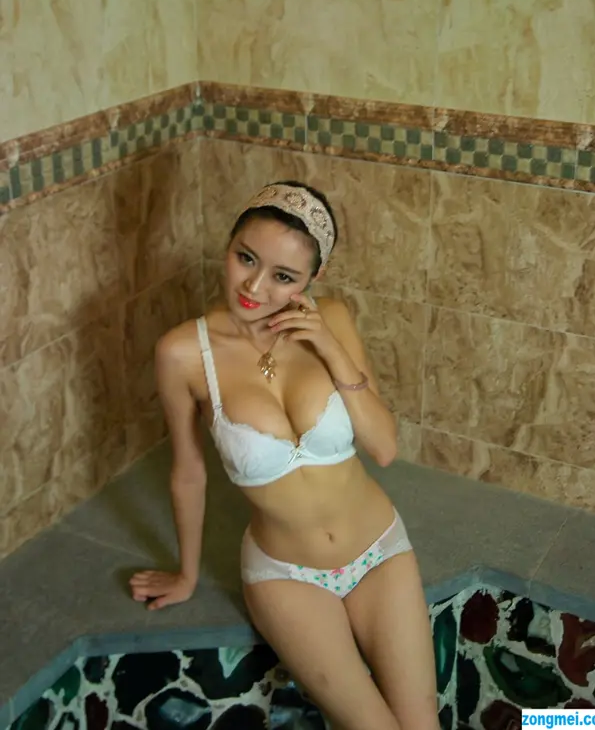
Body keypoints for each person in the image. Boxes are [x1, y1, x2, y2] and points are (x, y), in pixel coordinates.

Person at [129, 180, 440, 730]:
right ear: (229, 245)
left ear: (313, 277)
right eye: (245, 258)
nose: (254, 287)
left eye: (284, 276)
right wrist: (186, 574)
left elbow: (384, 447)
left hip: (380, 551)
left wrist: (330, 348)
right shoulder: (183, 353)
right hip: (287, 575)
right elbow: (189, 472)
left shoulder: (333, 319)